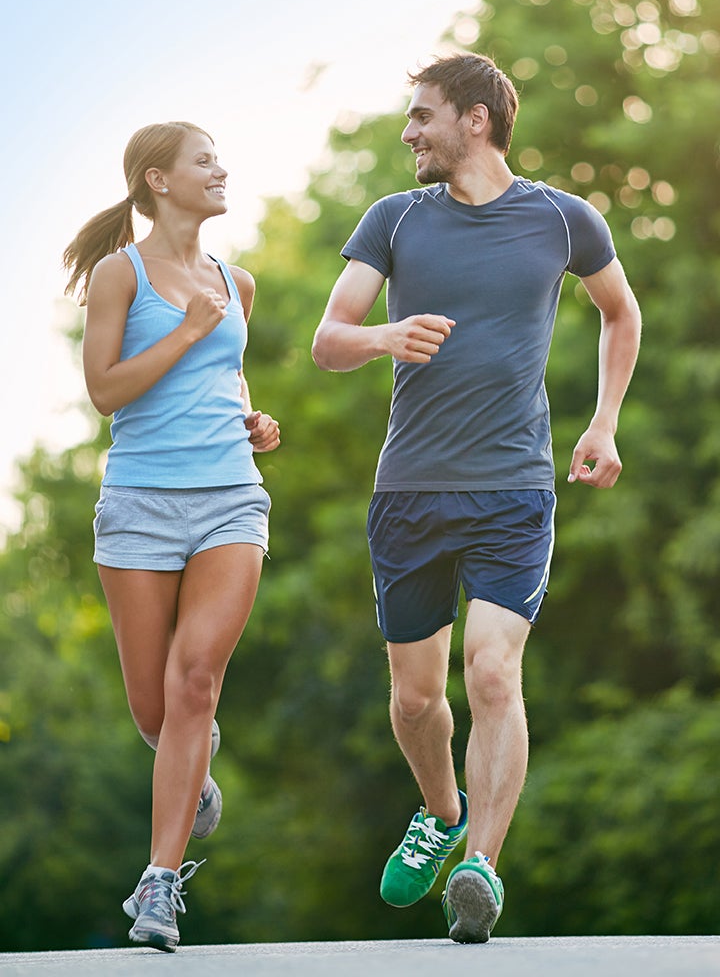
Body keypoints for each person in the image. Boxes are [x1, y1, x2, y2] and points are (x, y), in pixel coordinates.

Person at [312, 53, 641, 944]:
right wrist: (384, 335)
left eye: (423, 115)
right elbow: (328, 339)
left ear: (477, 120)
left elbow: (622, 312)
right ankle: (443, 811)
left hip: (514, 488)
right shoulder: (393, 220)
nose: (409, 131)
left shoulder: (563, 219)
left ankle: (482, 871)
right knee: (416, 702)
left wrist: (604, 422)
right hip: (409, 491)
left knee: (493, 671)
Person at [63, 121, 280, 952]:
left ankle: (159, 885)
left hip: (230, 499)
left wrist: (250, 417)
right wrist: (187, 328)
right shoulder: (120, 276)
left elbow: (226, 370)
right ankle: (191, 767)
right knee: (155, 712)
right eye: (204, 160)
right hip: (141, 506)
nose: (221, 169)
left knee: (195, 684)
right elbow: (106, 392)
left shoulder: (238, 280)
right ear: (158, 180)